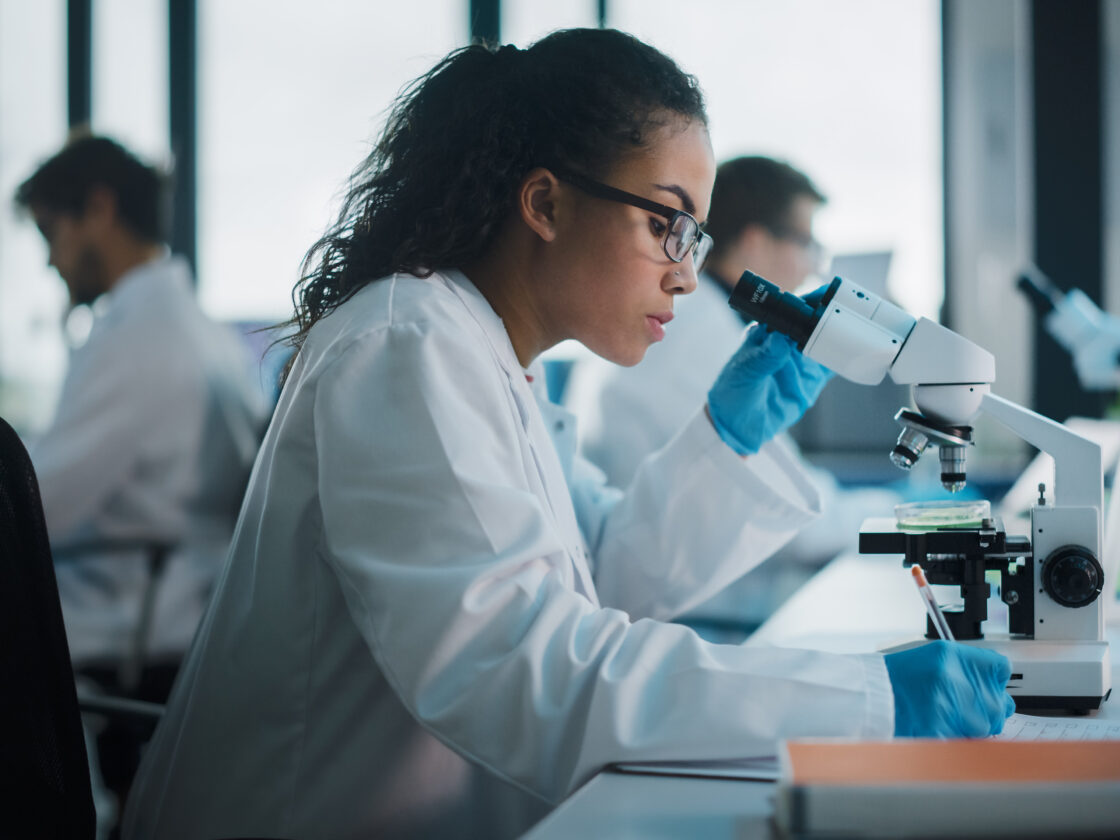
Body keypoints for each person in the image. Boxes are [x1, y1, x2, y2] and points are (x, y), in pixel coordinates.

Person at [123, 30, 1014, 840]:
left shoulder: (498, 358)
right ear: (545, 203)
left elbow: (599, 579)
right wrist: (859, 697)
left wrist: (725, 439)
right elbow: (520, 668)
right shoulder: (407, 343)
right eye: (667, 224)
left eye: (696, 239)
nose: (685, 275)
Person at [565, 156, 900, 632]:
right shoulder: (694, 328)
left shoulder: (699, 319)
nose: (813, 264)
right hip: (702, 610)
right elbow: (803, 531)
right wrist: (904, 513)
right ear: (756, 241)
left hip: (672, 582)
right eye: (807, 243)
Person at [13, 134, 268, 680]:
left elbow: (37, 502)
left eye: (51, 232)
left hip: (127, 628)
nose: (50, 261)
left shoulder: (139, 337)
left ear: (99, 209)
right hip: (181, 612)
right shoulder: (200, 329)